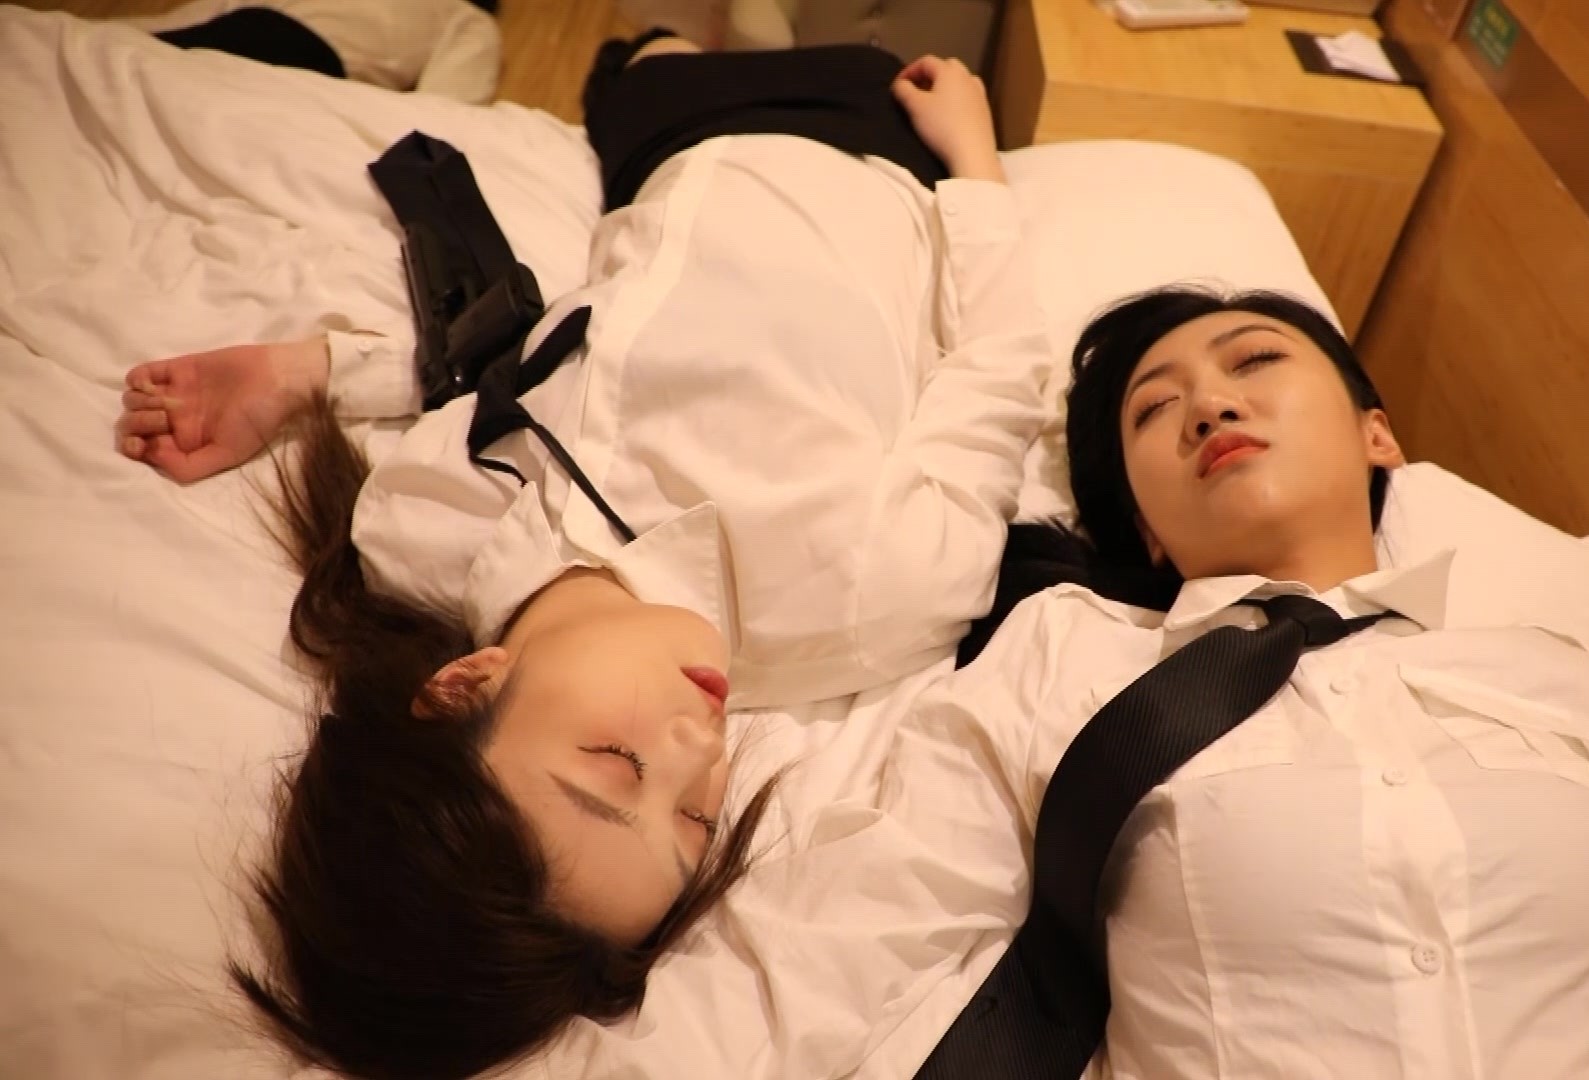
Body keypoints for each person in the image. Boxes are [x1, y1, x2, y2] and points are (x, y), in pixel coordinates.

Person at [113, 34, 1050, 1080]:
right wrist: (977, 162)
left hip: (663, 143)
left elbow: (512, 361)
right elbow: (1001, 368)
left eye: (616, 764)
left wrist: (313, 373)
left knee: (648, 47)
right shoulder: (873, 590)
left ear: (465, 684)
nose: (699, 748)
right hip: (862, 139)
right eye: (695, 818)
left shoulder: (416, 526)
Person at [909, 285, 1589, 1078]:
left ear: (1378, 435)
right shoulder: (1075, 660)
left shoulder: (1563, 681)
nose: (1210, 405)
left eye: (1255, 359)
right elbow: (896, 935)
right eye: (1155, 408)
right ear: (1145, 529)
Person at [123, 0, 501, 103]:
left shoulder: (462, 14)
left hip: (301, 53)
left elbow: (443, 103)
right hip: (267, 38)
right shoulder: (463, 17)